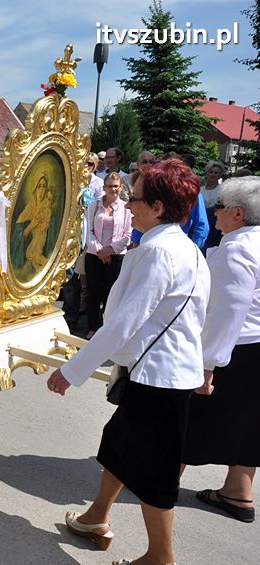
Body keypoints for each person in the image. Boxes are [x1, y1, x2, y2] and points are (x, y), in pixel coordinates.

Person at [46, 159, 210, 565]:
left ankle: (160, 556)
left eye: (135, 199)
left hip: (160, 379)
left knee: (154, 475)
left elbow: (123, 322)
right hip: (156, 373)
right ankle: (95, 517)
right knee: (118, 446)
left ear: (156, 206)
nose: (129, 206)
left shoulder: (159, 252)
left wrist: (72, 371)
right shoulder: (182, 246)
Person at [183, 176, 260, 523]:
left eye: (220, 206)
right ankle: (237, 492)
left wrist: (207, 363)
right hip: (253, 346)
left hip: (236, 347)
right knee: (249, 421)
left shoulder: (237, 247)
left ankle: (160, 481)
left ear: (238, 213)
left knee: (188, 414)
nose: (215, 212)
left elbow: (228, 309)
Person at [84, 172, 133, 338]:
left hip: (116, 256)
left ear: (120, 187)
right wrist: (99, 250)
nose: (113, 189)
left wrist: (110, 250)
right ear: (103, 188)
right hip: (94, 255)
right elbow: (87, 231)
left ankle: (107, 329)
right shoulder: (93, 206)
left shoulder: (126, 208)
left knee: (112, 293)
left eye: (115, 186)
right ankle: (92, 327)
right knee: (93, 292)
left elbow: (128, 234)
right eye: (109, 186)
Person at [200, 160, 226, 252]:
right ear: (206, 173)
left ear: (220, 175)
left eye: (216, 172)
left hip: (215, 224)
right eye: (211, 172)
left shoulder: (223, 189)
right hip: (201, 222)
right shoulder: (200, 190)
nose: (213, 175)